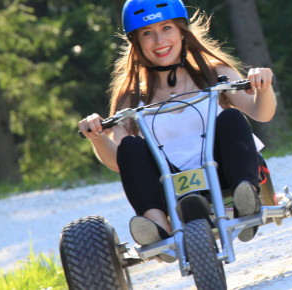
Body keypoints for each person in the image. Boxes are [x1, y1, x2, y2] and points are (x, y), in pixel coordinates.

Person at [78, 0, 276, 248]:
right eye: (147, 33)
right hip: (171, 186)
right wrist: (97, 136)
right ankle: (156, 223)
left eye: (166, 28)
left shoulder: (214, 74)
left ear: (182, 30)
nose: (159, 41)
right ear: (136, 43)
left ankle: (245, 197)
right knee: (130, 145)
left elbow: (262, 113)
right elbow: (120, 162)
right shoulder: (131, 97)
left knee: (230, 118)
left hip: (227, 172)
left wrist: (263, 87)